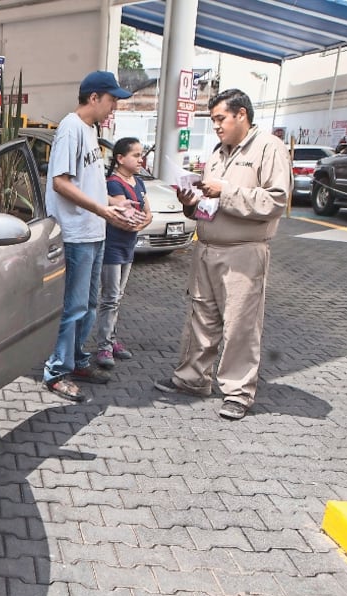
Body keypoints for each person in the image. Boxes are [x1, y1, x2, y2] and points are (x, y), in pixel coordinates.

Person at [155, 89, 291, 420]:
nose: (216, 126)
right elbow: (210, 204)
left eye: (220, 119)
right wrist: (192, 204)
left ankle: (238, 392)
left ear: (241, 114)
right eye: (213, 120)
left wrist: (225, 191)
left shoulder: (268, 148)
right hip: (207, 247)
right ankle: (192, 379)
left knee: (240, 325)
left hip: (243, 253)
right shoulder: (217, 153)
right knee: (201, 317)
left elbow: (275, 201)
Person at [42, 71, 134, 402]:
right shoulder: (71, 129)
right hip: (77, 233)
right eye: (111, 101)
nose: (113, 108)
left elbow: (83, 182)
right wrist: (100, 208)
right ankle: (57, 372)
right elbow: (61, 183)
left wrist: (114, 202)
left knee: (90, 305)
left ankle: (78, 361)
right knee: (74, 306)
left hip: (94, 232)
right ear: (94, 98)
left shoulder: (89, 131)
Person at [95, 137, 152, 369]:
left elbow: (147, 213)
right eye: (136, 155)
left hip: (128, 247)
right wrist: (136, 220)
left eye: (141, 155)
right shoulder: (113, 184)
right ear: (120, 158)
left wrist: (139, 222)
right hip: (112, 248)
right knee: (110, 298)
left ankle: (112, 339)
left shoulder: (138, 182)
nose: (141, 159)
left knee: (117, 298)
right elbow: (122, 217)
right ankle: (104, 347)